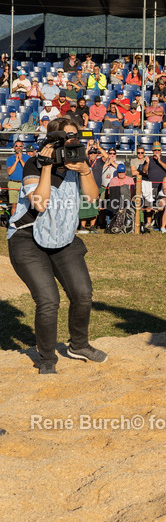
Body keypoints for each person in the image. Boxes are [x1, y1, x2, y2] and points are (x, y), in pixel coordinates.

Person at [7, 117, 107, 374]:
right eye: (63, 136)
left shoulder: (77, 164)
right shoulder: (33, 163)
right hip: (27, 238)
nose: (69, 140)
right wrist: (48, 166)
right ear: (50, 140)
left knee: (82, 293)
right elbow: (39, 204)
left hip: (63, 237)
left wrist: (85, 171)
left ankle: (79, 345)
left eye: (73, 136)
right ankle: (48, 358)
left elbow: (91, 201)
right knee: (49, 300)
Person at [5, 141, 27, 206]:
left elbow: (27, 169)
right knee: (14, 205)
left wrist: (21, 160)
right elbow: (9, 172)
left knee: (24, 205)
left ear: (23, 147)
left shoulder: (27, 158)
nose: (18, 148)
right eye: (16, 146)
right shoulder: (10, 159)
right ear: (14, 147)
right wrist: (16, 161)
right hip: (13, 183)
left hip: (24, 183)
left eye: (20, 146)